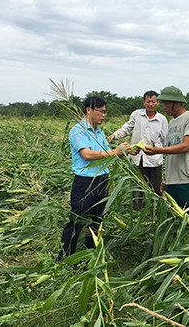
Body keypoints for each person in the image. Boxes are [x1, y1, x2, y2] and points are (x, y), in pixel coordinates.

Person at [57, 96, 131, 262]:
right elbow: (88, 154)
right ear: (89, 110)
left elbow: (107, 154)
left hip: (102, 180)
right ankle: (64, 260)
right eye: (101, 111)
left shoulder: (99, 132)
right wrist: (115, 152)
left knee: (96, 222)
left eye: (105, 112)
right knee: (77, 221)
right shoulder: (78, 130)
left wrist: (124, 151)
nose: (104, 115)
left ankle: (90, 256)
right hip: (85, 182)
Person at [144, 86, 189, 220]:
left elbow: (186, 146)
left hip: (188, 180)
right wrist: (166, 178)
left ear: (177, 103)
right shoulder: (172, 122)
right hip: (172, 182)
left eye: (167, 103)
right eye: (163, 103)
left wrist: (158, 151)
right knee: (173, 220)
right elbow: (171, 151)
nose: (163, 106)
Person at [108, 90, 168, 210]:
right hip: (137, 158)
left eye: (153, 101)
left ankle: (158, 210)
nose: (150, 104)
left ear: (157, 103)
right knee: (137, 188)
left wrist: (166, 152)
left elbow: (166, 140)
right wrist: (114, 136)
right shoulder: (137, 115)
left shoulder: (162, 119)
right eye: (148, 101)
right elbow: (126, 128)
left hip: (154, 160)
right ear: (144, 102)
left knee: (157, 187)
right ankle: (137, 212)